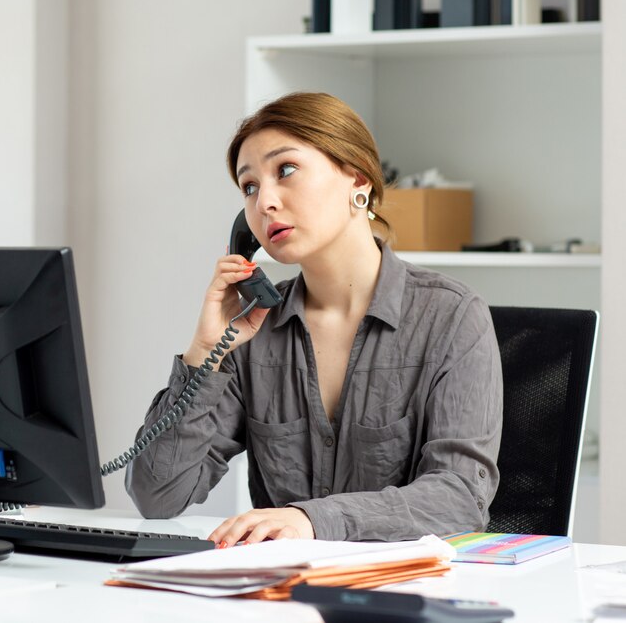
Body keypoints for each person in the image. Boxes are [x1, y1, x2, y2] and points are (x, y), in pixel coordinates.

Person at [124, 92, 502, 545]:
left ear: (357, 181)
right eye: (249, 187)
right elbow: (157, 495)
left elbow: (459, 496)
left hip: (401, 595)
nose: (264, 202)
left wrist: (312, 520)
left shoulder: (453, 317)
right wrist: (207, 352)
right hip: (281, 597)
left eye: (285, 170)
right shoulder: (254, 328)